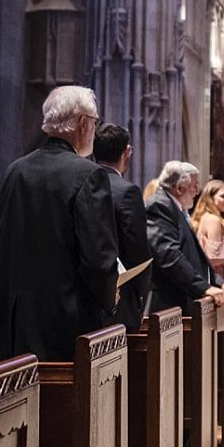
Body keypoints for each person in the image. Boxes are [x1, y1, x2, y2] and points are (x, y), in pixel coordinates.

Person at [0, 85, 120, 360]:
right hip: (65, 328)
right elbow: (98, 258)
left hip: (13, 329)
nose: (95, 129)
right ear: (83, 123)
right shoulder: (89, 175)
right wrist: (110, 295)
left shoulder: (14, 171)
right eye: (95, 122)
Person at [144, 161, 224, 312]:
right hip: (168, 302)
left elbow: (193, 258)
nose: (197, 190)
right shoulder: (160, 206)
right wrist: (203, 287)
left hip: (181, 298)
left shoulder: (174, 207)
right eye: (194, 185)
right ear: (180, 188)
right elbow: (169, 255)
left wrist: (218, 283)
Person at [92, 123, 153, 327]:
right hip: (120, 294)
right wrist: (140, 295)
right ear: (127, 151)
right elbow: (137, 249)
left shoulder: (81, 182)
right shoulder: (127, 191)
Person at [191, 179, 224, 284]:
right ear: (210, 197)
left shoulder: (208, 217)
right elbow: (212, 260)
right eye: (223, 196)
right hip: (219, 279)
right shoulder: (213, 219)